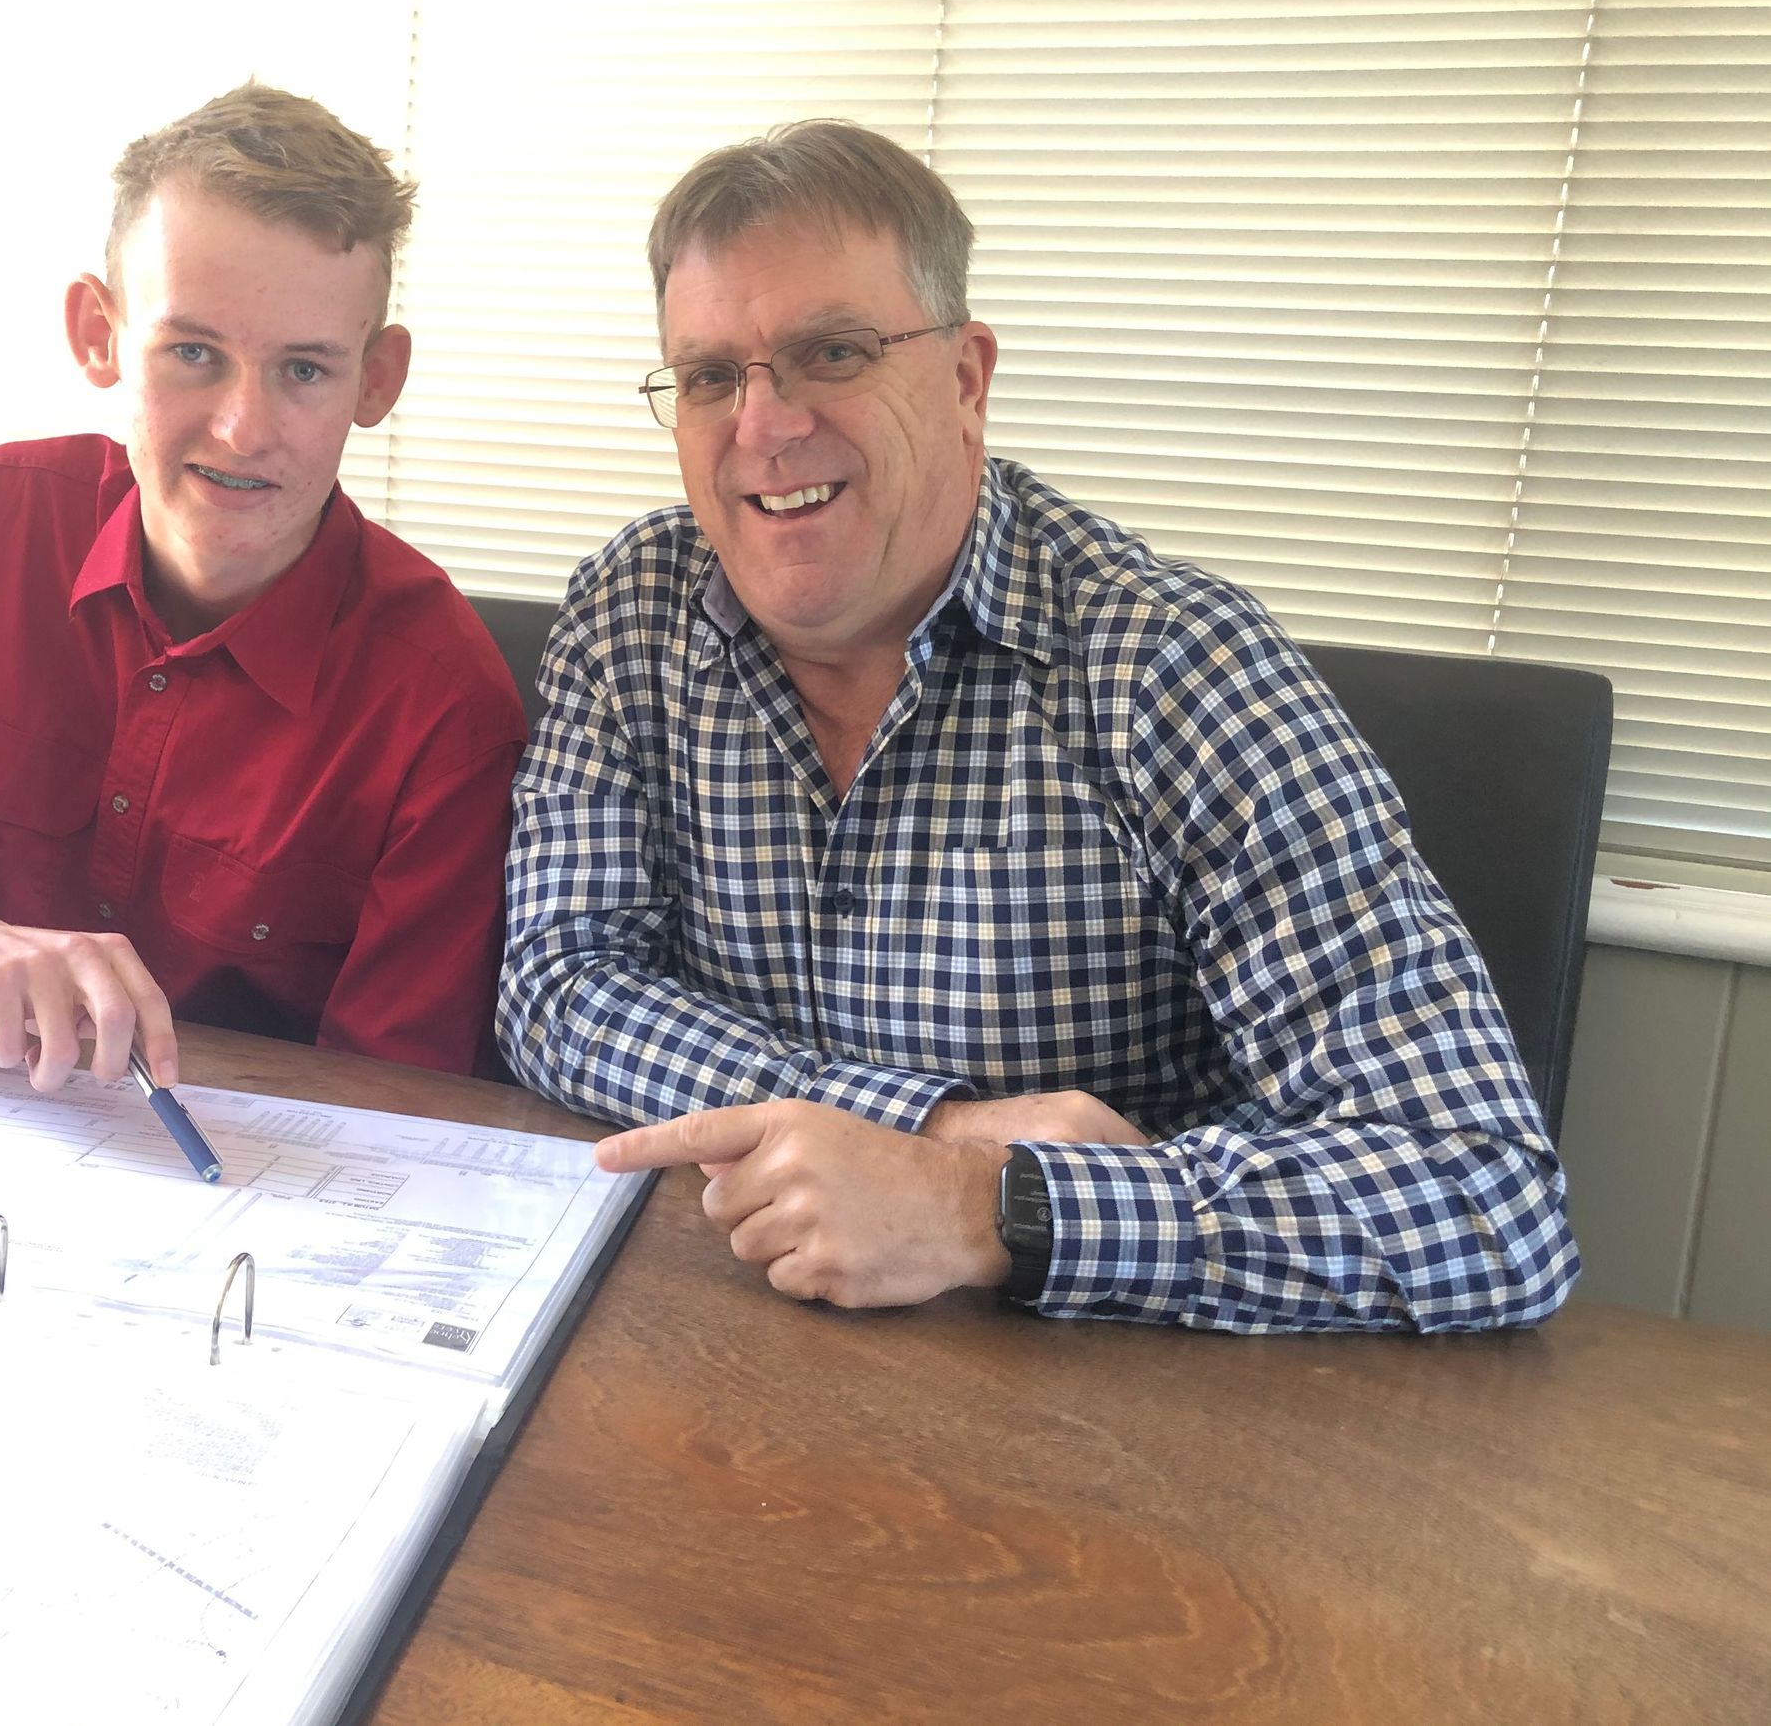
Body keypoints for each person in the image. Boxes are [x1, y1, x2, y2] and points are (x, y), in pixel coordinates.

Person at [497, 120, 1577, 1332]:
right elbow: (558, 984)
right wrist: (928, 1127)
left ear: (965, 377)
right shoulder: (632, 612)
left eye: (832, 352)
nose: (762, 424)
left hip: (1093, 1388)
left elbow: (1483, 1193)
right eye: (708, 377)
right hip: (729, 1337)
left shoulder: (1171, 667)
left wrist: (987, 1206)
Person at [0, 84, 525, 1089]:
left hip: (250, 1159)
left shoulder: (445, 702)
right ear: (99, 333)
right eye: (194, 353)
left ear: (376, 380)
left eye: (304, 370)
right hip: (0, 1112)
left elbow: (400, 1099)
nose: (243, 431)